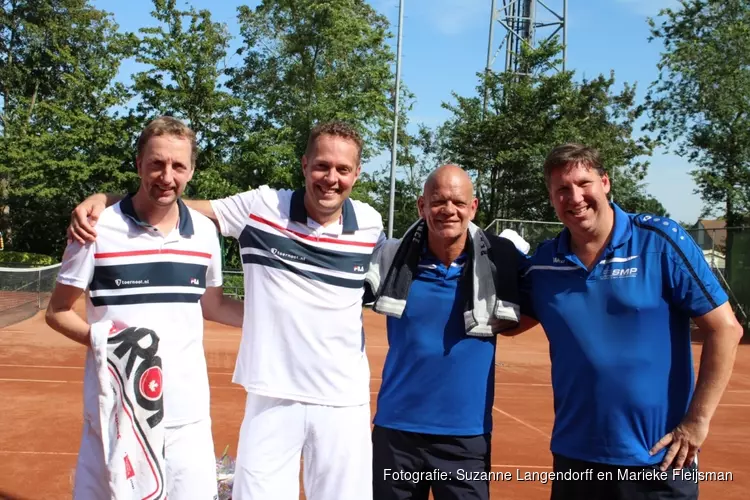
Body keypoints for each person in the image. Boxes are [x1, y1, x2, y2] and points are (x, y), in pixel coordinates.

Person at [66, 121, 385, 500]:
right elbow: (168, 201)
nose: (330, 178)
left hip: (343, 401)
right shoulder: (261, 207)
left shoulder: (370, 225)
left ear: (357, 174)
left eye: (343, 169)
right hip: (271, 395)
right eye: (321, 166)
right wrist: (104, 199)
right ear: (304, 165)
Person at [516, 143, 744, 499]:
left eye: (584, 183)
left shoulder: (659, 241)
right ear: (551, 197)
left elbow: (726, 329)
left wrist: (697, 422)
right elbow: (500, 321)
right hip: (577, 461)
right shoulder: (544, 263)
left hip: (660, 461)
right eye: (562, 189)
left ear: (605, 182)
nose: (574, 197)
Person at [46, 116, 244, 498]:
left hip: (187, 417)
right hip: (116, 413)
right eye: (156, 163)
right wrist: (114, 348)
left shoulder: (204, 233)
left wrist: (279, 318)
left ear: (191, 170)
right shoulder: (95, 228)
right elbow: (57, 311)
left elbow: (214, 305)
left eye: (178, 165)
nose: (166, 176)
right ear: (139, 164)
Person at [364, 164, 523, 500]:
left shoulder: (499, 264)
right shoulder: (392, 260)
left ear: (473, 207)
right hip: (397, 435)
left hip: (465, 437)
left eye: (458, 202)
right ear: (422, 206)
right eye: (438, 202)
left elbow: (548, 306)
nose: (448, 210)